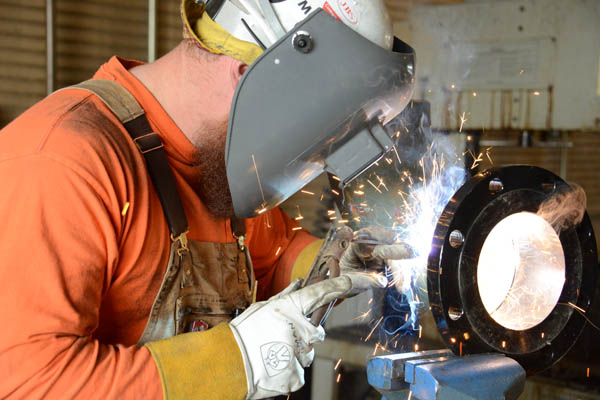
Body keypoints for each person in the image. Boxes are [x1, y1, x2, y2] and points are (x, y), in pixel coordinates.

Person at [0, 0, 415, 398]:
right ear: (248, 74)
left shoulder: (220, 167)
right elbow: (27, 383)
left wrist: (334, 262)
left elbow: (272, 256)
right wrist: (236, 363)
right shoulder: (64, 161)